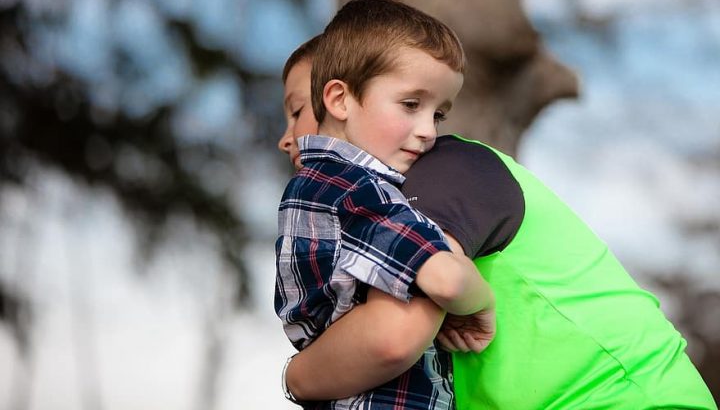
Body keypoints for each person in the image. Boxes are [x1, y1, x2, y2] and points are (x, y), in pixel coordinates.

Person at [277, 44, 716, 409]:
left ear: (343, 98)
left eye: (298, 110)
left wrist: (294, 376)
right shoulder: (370, 202)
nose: (287, 136)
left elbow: (392, 336)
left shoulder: (439, 172)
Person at [275, 0, 495, 409]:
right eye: (411, 105)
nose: (428, 131)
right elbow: (445, 279)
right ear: (339, 100)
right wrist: (483, 300)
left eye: (439, 115)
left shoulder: (322, 186)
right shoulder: (350, 188)